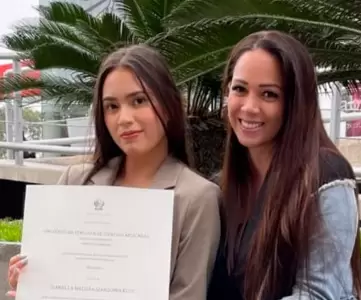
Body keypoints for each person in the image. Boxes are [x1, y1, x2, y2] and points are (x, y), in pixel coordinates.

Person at [7, 44, 221, 300]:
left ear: (167, 104)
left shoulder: (197, 198)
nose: (124, 118)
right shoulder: (74, 182)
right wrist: (31, 284)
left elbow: (189, 294)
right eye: (112, 106)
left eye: (138, 100)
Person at [207, 31, 361, 300]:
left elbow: (319, 293)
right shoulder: (220, 188)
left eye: (269, 94)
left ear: (295, 103)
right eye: (239, 89)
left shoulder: (326, 175)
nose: (249, 107)